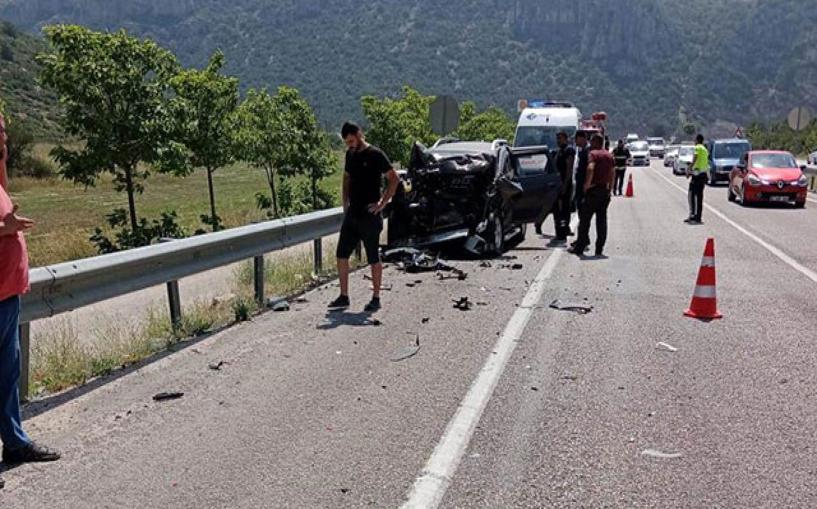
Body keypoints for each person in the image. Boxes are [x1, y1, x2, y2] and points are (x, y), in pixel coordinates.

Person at [0, 113, 60, 491]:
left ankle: (15, 444)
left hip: (7, 294)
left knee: (7, 377)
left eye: (3, 130)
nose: (4, 135)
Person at [329, 122, 399, 313]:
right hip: (353, 214)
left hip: (370, 214)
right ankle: (344, 297)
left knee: (373, 258)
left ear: (359, 134)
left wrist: (382, 204)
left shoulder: (376, 154)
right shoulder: (350, 154)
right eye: (347, 142)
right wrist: (345, 203)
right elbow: (346, 178)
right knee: (341, 255)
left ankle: (376, 298)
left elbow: (394, 179)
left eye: (351, 140)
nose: (350, 145)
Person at [569, 134, 615, 257]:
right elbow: (612, 173)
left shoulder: (593, 154)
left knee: (584, 220)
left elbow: (590, 168)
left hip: (593, 191)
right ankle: (599, 248)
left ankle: (580, 247)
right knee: (602, 221)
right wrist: (609, 190)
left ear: (595, 142)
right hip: (604, 192)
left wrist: (586, 185)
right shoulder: (609, 155)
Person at [534, 131, 575, 241]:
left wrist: (565, 185)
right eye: (557, 139)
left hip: (564, 185)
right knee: (557, 210)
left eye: (560, 138)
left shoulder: (569, 151)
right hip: (556, 186)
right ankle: (560, 231)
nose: (558, 141)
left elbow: (569, 170)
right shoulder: (557, 152)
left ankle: (563, 230)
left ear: (566, 139)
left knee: (564, 210)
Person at [686, 134, 709, 224]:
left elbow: (695, 158)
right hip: (703, 175)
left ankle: (692, 215)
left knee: (691, 195)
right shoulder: (705, 150)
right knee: (700, 197)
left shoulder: (698, 148)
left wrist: (689, 169)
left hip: (697, 175)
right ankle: (698, 217)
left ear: (697, 140)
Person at [573, 131, 590, 213]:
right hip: (581, 186)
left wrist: (585, 186)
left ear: (582, 138)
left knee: (583, 212)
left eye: (576, 139)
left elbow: (588, 170)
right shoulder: (583, 151)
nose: (575, 141)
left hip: (584, 188)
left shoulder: (587, 152)